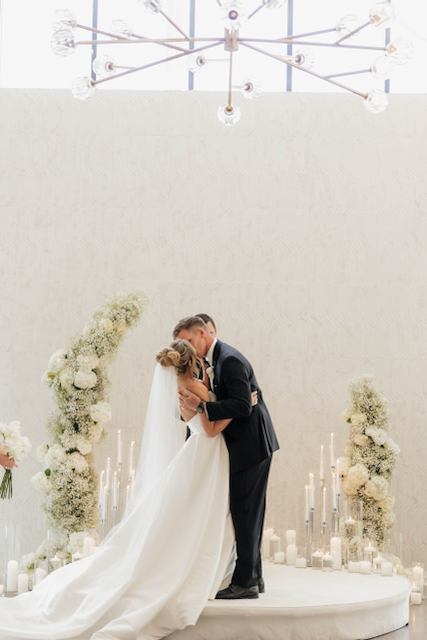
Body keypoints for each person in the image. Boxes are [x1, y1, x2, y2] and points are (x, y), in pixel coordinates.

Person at [0, 340, 237, 640]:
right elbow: (213, 428)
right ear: (194, 363)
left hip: (197, 451)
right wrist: (242, 408)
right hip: (207, 452)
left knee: (190, 511)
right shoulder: (198, 389)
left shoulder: (177, 388)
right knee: (205, 509)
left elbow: (194, 421)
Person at [174, 316, 279, 600]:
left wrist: (202, 406)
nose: (187, 348)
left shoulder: (229, 359)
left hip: (251, 447)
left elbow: (243, 405)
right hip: (243, 446)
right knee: (246, 514)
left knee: (246, 514)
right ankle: (254, 577)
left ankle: (246, 582)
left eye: (189, 341)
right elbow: (241, 400)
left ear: (202, 333)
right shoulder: (213, 362)